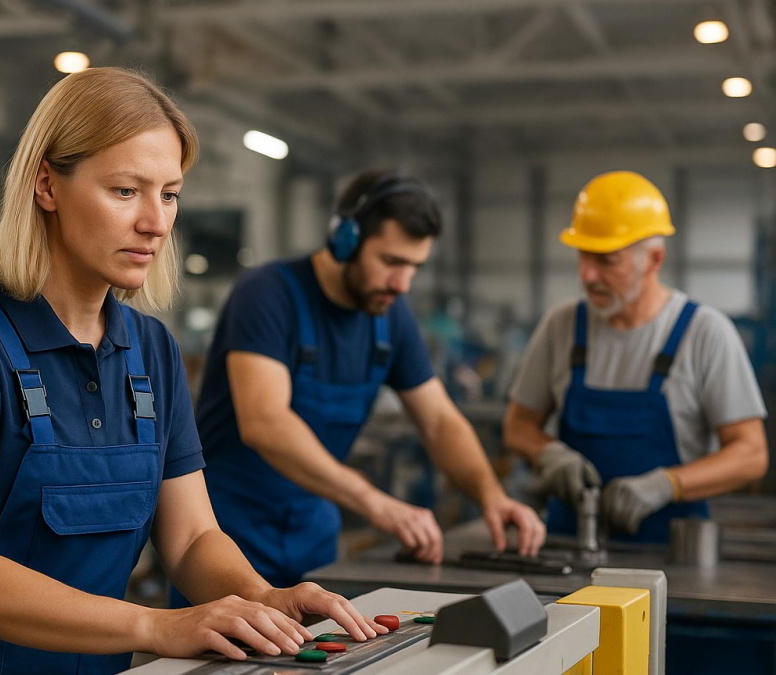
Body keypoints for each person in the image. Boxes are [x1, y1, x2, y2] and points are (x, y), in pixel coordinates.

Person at [0, 67, 386, 675]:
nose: (156, 223)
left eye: (169, 195)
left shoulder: (152, 351)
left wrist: (261, 597)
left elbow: (191, 538)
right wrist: (155, 626)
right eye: (125, 191)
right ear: (46, 185)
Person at [190, 169, 545, 594]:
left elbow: (439, 421)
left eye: (414, 267)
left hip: (313, 535)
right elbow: (265, 422)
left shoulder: (391, 317)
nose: (403, 284)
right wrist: (376, 502)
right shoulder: (267, 294)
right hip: (227, 537)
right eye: (392, 262)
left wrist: (492, 496)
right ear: (346, 239)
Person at [503, 171, 768, 542]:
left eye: (607, 260)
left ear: (654, 260)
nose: (587, 275)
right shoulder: (561, 326)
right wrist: (549, 453)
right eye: (583, 255)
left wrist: (667, 484)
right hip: (569, 545)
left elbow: (751, 454)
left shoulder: (704, 333)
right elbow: (517, 426)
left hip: (673, 554)